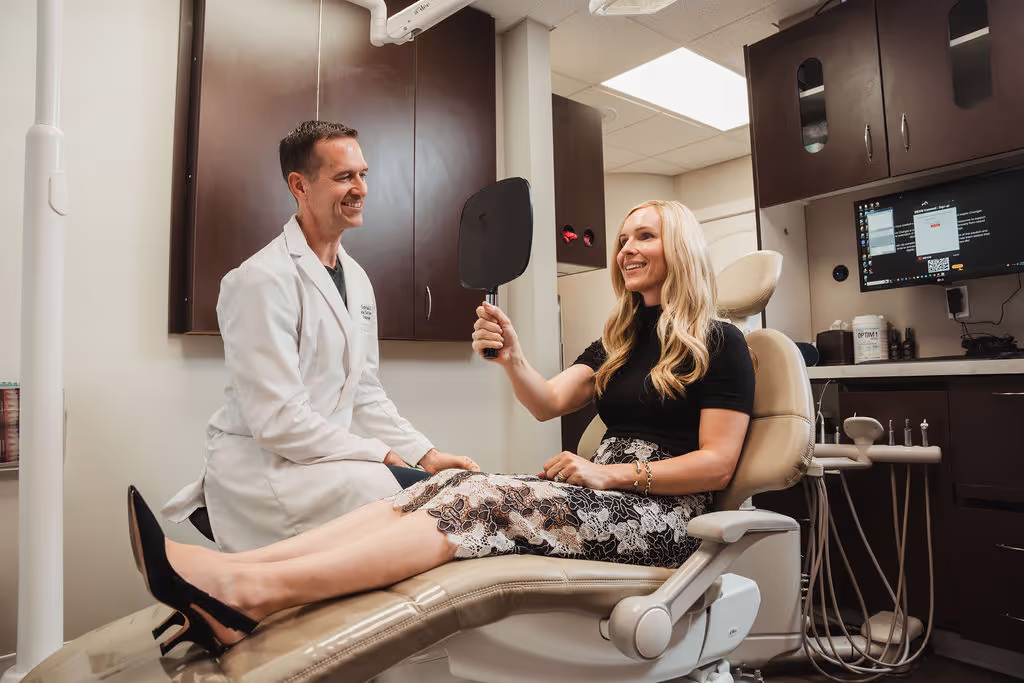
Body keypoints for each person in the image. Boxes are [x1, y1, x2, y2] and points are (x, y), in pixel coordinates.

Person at [130, 199, 755, 655]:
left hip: (665, 517)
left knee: (478, 501)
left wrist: (609, 471)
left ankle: (250, 594)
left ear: (681, 247)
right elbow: (546, 403)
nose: (626, 250)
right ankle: (237, 577)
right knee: (442, 488)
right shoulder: (617, 340)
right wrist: (512, 357)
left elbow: (718, 464)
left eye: (644, 236)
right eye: (623, 240)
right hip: (604, 496)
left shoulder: (720, 343)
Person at [162, 121, 478, 553]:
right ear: (300, 185)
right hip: (267, 469)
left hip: (326, 462)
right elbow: (279, 423)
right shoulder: (259, 280)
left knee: (447, 497)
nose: (360, 188)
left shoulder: (358, 280)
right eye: (344, 176)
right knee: (435, 509)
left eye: (363, 174)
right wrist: (379, 453)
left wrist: (426, 455)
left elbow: (365, 391)